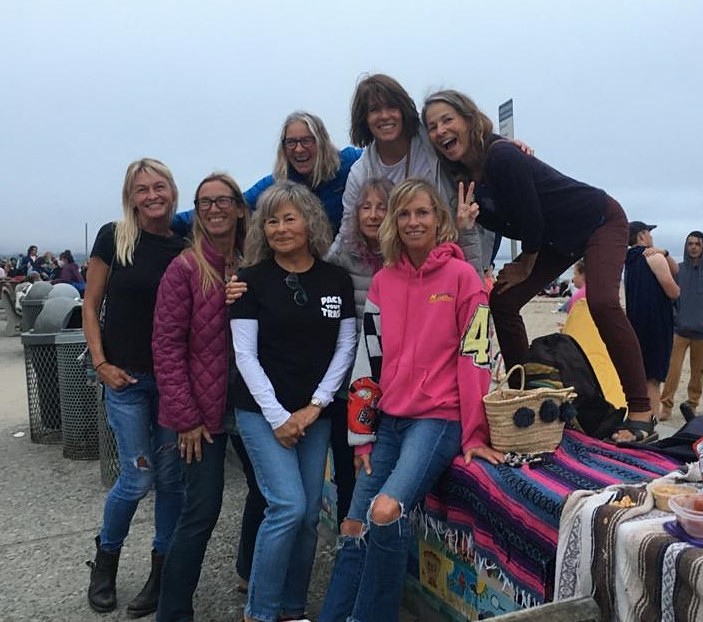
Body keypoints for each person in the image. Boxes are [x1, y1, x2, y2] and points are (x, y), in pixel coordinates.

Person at [422, 89, 657, 444]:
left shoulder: (500, 156)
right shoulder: (461, 176)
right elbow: (503, 225)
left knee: (603, 302)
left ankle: (641, 409)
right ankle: (526, 393)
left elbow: (531, 218)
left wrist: (524, 264)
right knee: (502, 301)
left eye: (447, 120)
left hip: (597, 219)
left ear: (469, 120)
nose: (440, 130)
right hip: (555, 240)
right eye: (432, 126)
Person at [320, 179, 503, 622]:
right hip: (389, 421)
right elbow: (369, 360)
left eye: (422, 212)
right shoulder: (384, 281)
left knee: (384, 511)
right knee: (352, 526)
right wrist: (361, 437)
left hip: (438, 420)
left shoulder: (463, 278)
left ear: (439, 220)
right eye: (404, 214)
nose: (413, 221)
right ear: (394, 223)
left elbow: (477, 359)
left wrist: (476, 432)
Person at [230, 181, 356, 622]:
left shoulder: (335, 279)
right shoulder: (248, 281)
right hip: (260, 413)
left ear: (310, 222)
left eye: (289, 218)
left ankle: (291, 608)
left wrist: (315, 406)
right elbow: (243, 354)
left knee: (307, 519)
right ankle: (259, 612)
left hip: (313, 414)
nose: (281, 228)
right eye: (271, 220)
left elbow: (346, 346)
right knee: (287, 506)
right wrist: (279, 416)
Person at [83, 158, 185, 617]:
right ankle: (105, 560)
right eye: (141, 189)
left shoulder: (183, 245)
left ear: (171, 191)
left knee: (170, 481)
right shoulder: (115, 237)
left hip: (170, 382)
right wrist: (100, 362)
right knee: (137, 477)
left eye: (158, 186)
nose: (151, 195)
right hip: (124, 379)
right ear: (131, 196)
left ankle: (160, 574)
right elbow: (90, 304)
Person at [152, 173, 252, 622]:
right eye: (205, 202)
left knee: (270, 494)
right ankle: (173, 611)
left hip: (252, 404)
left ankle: (250, 568)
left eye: (223, 200)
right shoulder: (186, 268)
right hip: (202, 413)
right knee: (201, 510)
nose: (214, 209)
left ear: (239, 207)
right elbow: (166, 347)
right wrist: (185, 418)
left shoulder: (255, 261)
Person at [337, 74, 489, 277]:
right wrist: (317, 273)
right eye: (374, 110)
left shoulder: (433, 142)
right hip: (399, 272)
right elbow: (348, 234)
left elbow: (472, 141)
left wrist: (502, 145)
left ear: (403, 109)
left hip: (452, 258)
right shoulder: (360, 173)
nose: (384, 116)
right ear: (364, 118)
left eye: (391, 107)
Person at [325, 177, 393, 527]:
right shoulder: (343, 254)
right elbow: (314, 276)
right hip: (349, 379)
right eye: (365, 207)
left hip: (393, 380)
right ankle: (348, 542)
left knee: (385, 470)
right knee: (348, 467)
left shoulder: (403, 255)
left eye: (382, 207)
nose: (373, 214)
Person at [172, 111, 362, 236]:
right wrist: (164, 220)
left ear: (322, 141)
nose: (298, 149)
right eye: (291, 143)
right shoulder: (278, 184)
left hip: (350, 261)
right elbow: (233, 205)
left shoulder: (350, 163)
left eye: (306, 141)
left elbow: (386, 160)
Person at [625, 221, 680, 426]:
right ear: (642, 235)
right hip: (656, 322)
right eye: (649, 233)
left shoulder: (628, 259)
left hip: (635, 320)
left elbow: (673, 267)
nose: (651, 237)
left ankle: (639, 416)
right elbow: (672, 289)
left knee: (640, 373)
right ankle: (651, 421)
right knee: (653, 378)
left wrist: (664, 252)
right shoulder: (653, 257)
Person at [660, 231, 703, 421]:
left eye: (697, 244)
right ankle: (666, 406)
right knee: (673, 371)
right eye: (690, 244)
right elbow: (669, 298)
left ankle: (692, 404)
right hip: (680, 331)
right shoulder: (677, 270)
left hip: (701, 333)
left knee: (697, 373)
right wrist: (676, 318)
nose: (693, 247)